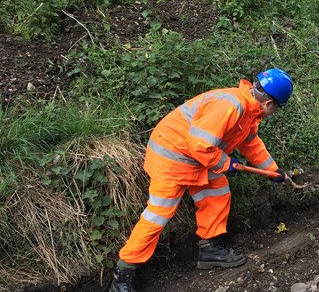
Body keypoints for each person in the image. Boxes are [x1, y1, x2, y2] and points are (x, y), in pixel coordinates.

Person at [109, 69, 294, 292]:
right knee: (158, 215)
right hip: (171, 158)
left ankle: (211, 248)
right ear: (269, 104)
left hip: (196, 159)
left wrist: (273, 170)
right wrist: (225, 164)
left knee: (217, 191)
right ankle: (123, 273)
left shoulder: (248, 112)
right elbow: (198, 144)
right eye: (277, 109)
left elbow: (250, 143)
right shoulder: (231, 105)